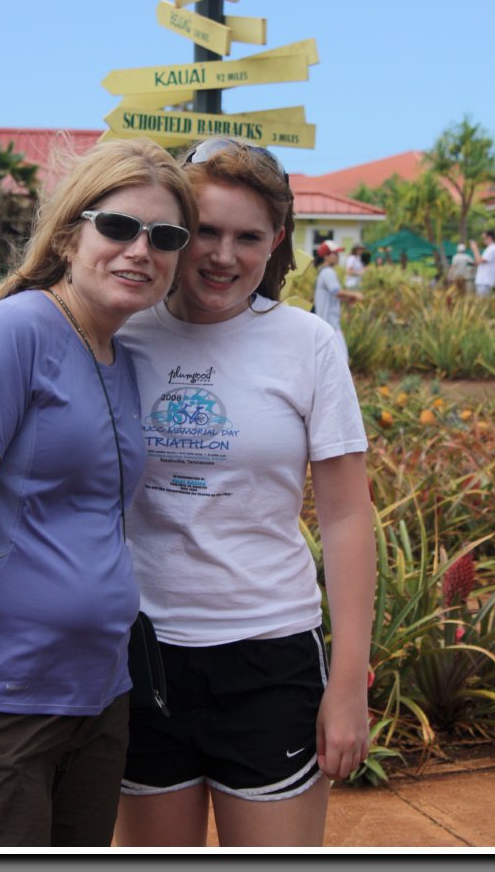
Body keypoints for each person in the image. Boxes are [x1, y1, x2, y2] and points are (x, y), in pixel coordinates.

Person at [0, 137, 198, 848]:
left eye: (165, 236)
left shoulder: (118, 355)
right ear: (68, 235)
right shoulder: (13, 333)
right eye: (118, 226)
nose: (140, 250)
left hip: (97, 698)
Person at [114, 138, 376, 848]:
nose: (223, 256)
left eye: (248, 237)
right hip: (140, 652)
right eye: (205, 230)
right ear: (175, 228)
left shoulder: (308, 344)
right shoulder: (122, 331)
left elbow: (346, 517)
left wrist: (347, 683)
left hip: (270, 655)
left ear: (276, 241)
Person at [313, 240, 363, 360]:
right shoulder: (328, 272)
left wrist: (348, 298)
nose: (337, 256)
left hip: (326, 323)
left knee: (331, 360)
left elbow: (333, 295)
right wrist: (355, 294)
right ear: (326, 256)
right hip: (330, 324)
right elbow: (336, 291)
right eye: (334, 254)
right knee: (342, 359)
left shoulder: (323, 271)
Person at [470, 230, 495, 297]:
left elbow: (481, 260)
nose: (483, 240)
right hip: (482, 280)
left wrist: (475, 249)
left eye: (484, 238)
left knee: (482, 301)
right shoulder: (489, 248)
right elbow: (478, 261)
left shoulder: (493, 248)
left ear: (489, 238)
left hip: (485, 281)